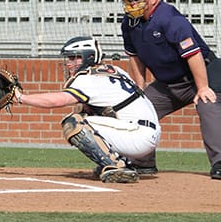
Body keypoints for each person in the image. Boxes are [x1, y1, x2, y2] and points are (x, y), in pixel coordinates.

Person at [12, 36, 160, 183]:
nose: (69, 64)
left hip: (137, 136)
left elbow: (59, 100)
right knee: (86, 112)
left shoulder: (87, 78)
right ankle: (119, 161)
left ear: (88, 57)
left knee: (74, 123)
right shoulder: (115, 70)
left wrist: (21, 98)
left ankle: (116, 165)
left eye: (73, 58)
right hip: (144, 133)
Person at [120, 0, 221, 180]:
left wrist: (202, 87)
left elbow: (194, 55)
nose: (131, 3)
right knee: (140, 110)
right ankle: (142, 163)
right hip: (168, 82)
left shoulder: (171, 19)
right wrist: (140, 88)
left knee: (207, 106)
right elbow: (135, 57)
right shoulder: (129, 22)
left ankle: (219, 163)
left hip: (203, 74)